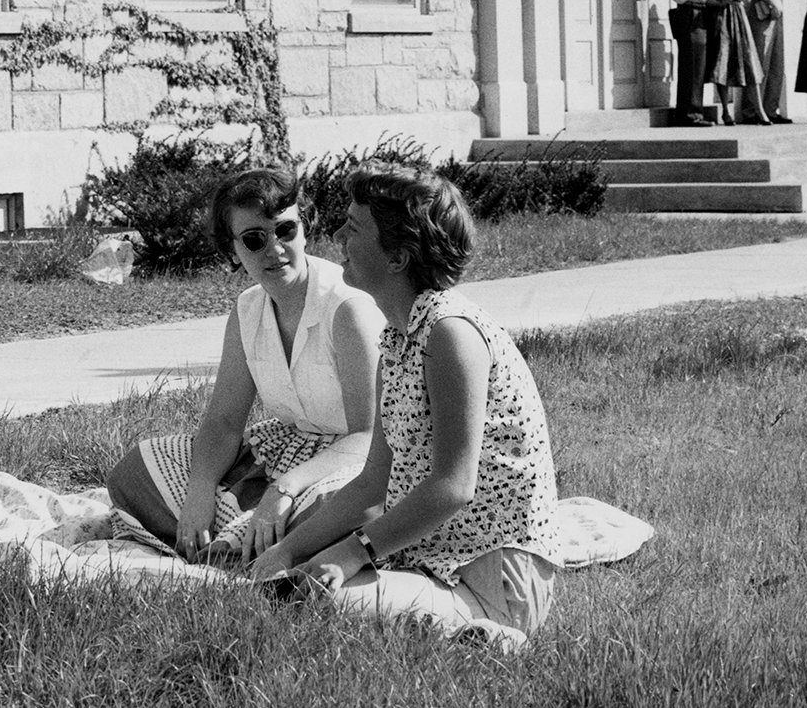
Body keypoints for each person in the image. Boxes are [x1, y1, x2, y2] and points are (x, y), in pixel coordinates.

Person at [250, 164, 562, 646]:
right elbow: (374, 484)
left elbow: (452, 486)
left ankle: (491, 634)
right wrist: (284, 554)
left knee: (315, 602)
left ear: (397, 256)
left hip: (493, 576)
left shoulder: (450, 334)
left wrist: (355, 551)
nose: (335, 235)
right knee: (293, 585)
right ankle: (445, 625)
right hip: (430, 558)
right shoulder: (397, 340)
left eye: (353, 228)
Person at [105, 168, 382, 561]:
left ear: (304, 229)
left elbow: (369, 434)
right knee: (135, 472)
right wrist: (199, 491)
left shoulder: (347, 308)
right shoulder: (247, 309)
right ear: (232, 249)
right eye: (255, 239)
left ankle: (246, 543)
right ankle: (243, 542)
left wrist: (284, 489)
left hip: (349, 463)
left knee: (336, 509)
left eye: (285, 231)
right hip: (283, 453)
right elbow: (223, 421)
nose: (275, 249)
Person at [704, 0, 769, 125]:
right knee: (722, 62)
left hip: (738, 17)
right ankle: (725, 110)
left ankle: (760, 110)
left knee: (748, 60)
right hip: (719, 17)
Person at [667, 0, 718, 126]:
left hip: (697, 11)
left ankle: (694, 111)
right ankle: (689, 114)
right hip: (689, 12)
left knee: (697, 65)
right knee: (692, 65)